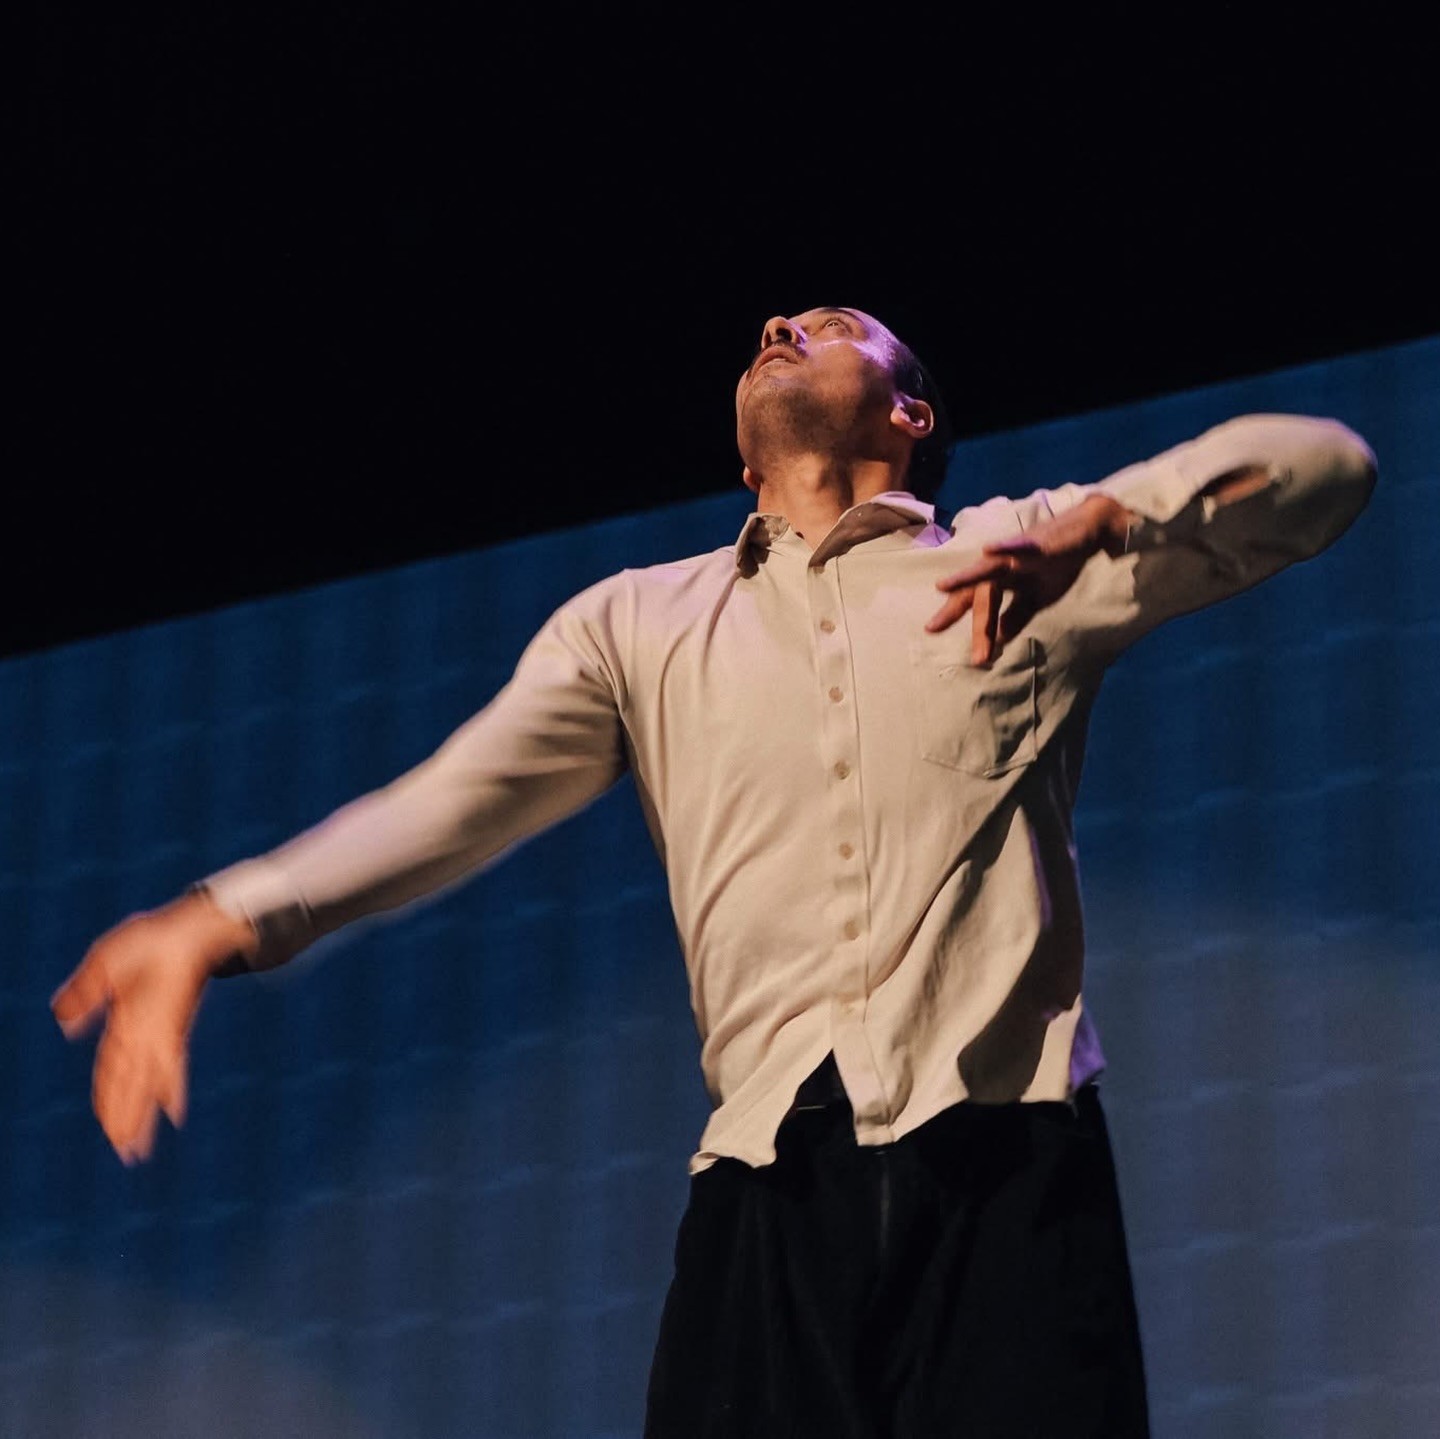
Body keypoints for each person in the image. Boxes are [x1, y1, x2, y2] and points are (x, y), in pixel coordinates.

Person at [52, 306, 1377, 1437]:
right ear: (743, 461)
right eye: (772, 330)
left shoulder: (1014, 556)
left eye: (834, 323)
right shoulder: (635, 625)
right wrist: (216, 920)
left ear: (912, 414)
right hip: (767, 1191)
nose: (777, 325)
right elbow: (453, 803)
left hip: (1011, 1172)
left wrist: (1100, 523)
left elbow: (1328, 468)